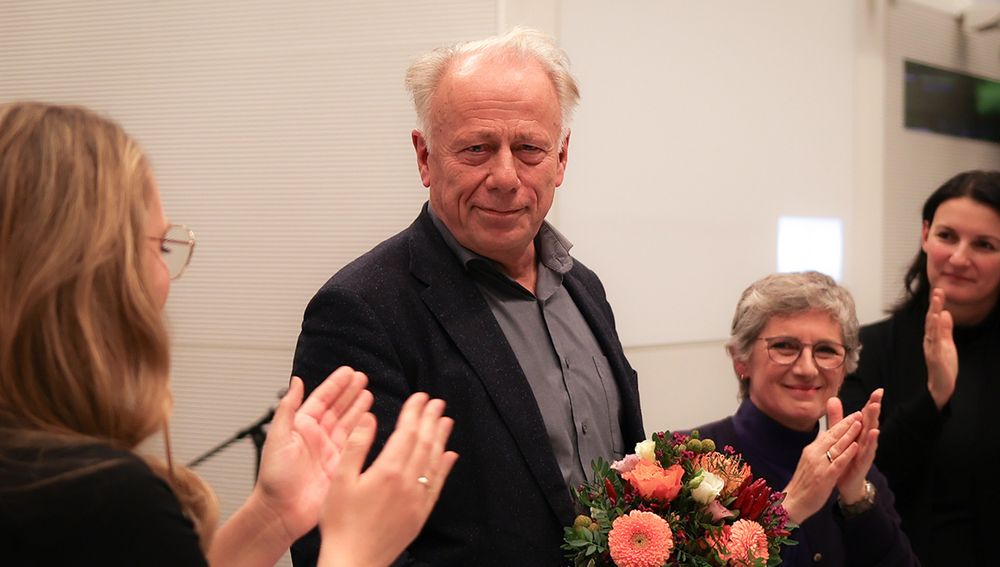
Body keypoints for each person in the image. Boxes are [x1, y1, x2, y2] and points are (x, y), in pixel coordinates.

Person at [0, 101, 457, 567]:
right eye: (159, 246)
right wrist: (356, 549)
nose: (165, 277)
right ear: (91, 273)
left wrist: (271, 516)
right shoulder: (98, 499)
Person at [291, 27, 644, 566]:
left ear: (562, 158)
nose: (505, 177)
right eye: (477, 149)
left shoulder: (584, 288)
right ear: (425, 157)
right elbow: (331, 538)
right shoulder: (361, 311)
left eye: (529, 149)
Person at [689, 272, 918, 566]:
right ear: (740, 359)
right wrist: (789, 508)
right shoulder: (686, 462)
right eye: (784, 346)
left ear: (845, 368)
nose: (808, 369)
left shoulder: (857, 470)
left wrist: (857, 500)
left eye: (825, 350)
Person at [840, 170, 1000, 566]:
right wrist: (934, 397)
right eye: (947, 236)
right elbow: (859, 481)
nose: (960, 257)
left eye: (984, 244)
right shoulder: (866, 348)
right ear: (925, 235)